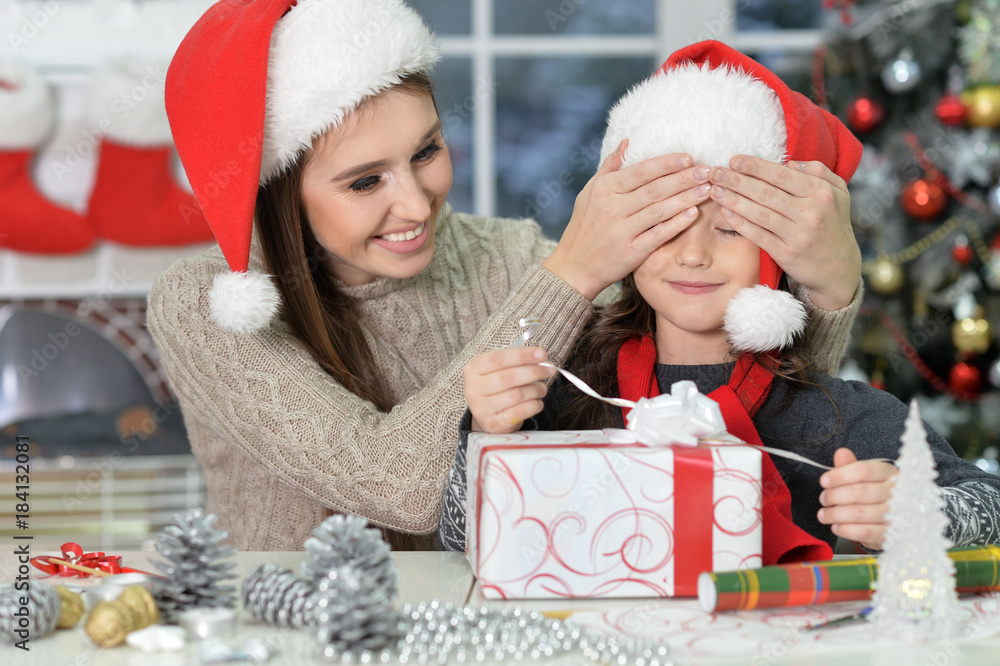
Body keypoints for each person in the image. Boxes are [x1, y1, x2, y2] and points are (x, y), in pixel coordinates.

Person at [148, 0, 864, 551]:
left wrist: (829, 287)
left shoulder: (514, 259)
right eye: (365, 182)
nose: (415, 201)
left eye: (426, 151)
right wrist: (573, 271)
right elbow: (390, 484)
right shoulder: (206, 304)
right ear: (280, 195)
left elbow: (733, 386)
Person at [440, 41, 1000, 558]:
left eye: (730, 229)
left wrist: (924, 510)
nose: (693, 255)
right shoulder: (566, 399)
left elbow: (990, 505)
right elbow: (461, 538)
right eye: (667, 222)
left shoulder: (840, 416)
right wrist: (490, 434)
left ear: (779, 247)